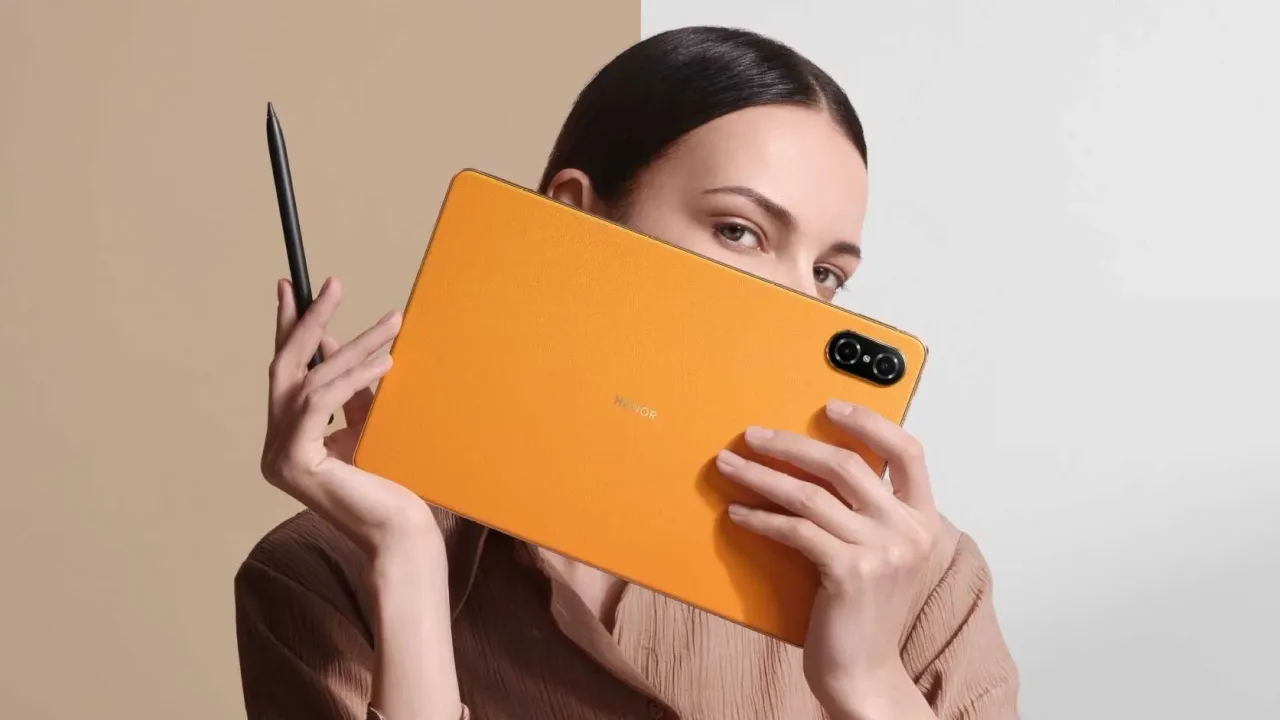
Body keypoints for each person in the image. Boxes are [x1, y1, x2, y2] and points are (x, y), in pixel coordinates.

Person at [236, 26, 1020, 720]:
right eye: (740, 231)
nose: (797, 300)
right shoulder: (322, 576)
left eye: (826, 273)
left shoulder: (919, 582)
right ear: (575, 215)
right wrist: (406, 561)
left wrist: (869, 684)